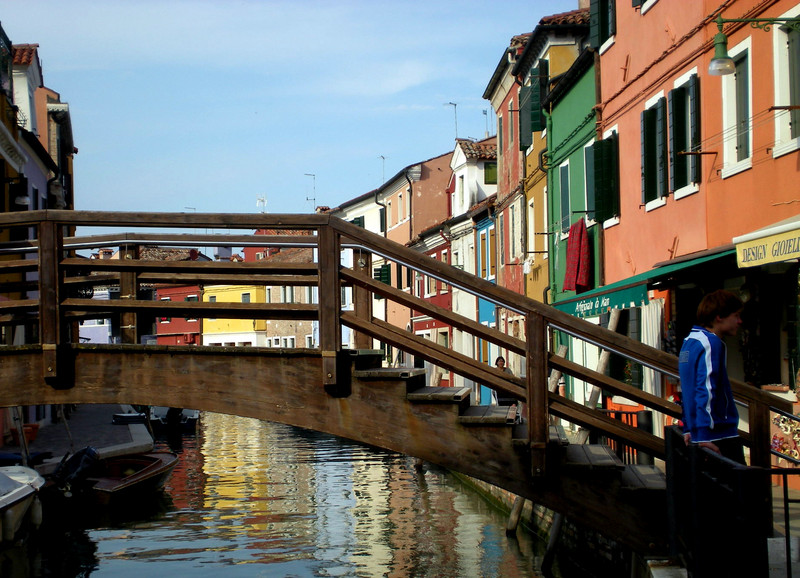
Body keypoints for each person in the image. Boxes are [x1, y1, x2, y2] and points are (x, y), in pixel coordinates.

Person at [679, 289, 745, 464]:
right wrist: (704, 435)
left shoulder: (689, 341)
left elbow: (686, 388)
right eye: (736, 315)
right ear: (719, 317)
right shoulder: (711, 342)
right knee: (742, 480)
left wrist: (689, 428)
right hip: (718, 436)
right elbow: (706, 388)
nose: (739, 321)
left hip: (699, 434)